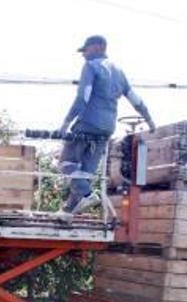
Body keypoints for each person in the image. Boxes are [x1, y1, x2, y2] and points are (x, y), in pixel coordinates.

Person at [57, 35, 155, 219]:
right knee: (84, 173)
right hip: (106, 129)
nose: (83, 54)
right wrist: (149, 119)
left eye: (85, 50)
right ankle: (67, 212)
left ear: (98, 47)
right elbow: (135, 99)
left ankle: (88, 195)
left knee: (66, 163)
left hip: (87, 124)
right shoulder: (119, 72)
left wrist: (66, 122)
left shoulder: (91, 67)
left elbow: (83, 98)